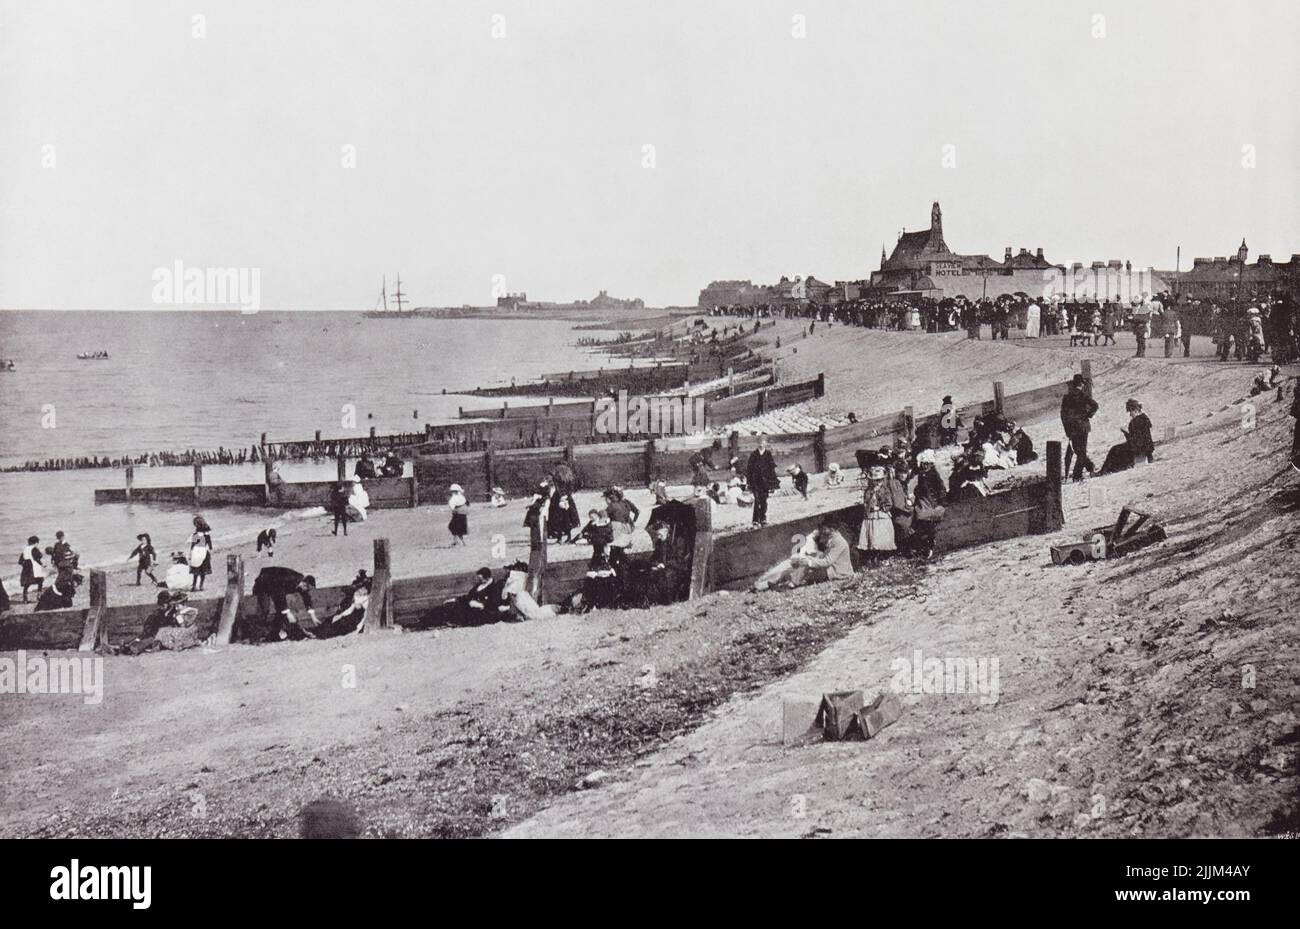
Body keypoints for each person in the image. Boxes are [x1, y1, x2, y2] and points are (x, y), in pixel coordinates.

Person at [250, 567, 317, 641]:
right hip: (264, 583)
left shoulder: (301, 583)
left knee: (281, 612)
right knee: (264, 610)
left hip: (274, 587)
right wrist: (288, 612)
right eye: (308, 588)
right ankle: (254, 638)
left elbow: (306, 597)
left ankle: (273, 635)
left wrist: (312, 615)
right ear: (305, 584)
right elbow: (279, 593)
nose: (307, 591)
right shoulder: (290, 580)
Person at [1060, 373, 1099, 481]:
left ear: (1073, 385)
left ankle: (1082, 471)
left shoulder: (1066, 397)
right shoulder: (1083, 395)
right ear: (1081, 384)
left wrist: (1067, 430)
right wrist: (1088, 415)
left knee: (1078, 451)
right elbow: (1095, 405)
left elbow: (1063, 415)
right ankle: (1081, 472)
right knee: (1081, 452)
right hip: (1083, 427)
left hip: (1072, 429)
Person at [1100, 399, 1155, 474]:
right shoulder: (1145, 418)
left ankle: (1104, 471)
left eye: (1130, 412)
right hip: (1147, 448)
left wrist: (1125, 432)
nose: (1130, 414)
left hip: (1139, 448)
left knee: (1115, 449)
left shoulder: (1135, 422)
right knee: (1119, 449)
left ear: (1135, 410)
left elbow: (1132, 440)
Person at [910, 449, 947, 560]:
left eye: (927, 464)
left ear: (931, 464)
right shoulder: (922, 475)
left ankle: (929, 544)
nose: (925, 466)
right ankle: (925, 545)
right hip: (924, 501)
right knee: (921, 521)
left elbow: (941, 489)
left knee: (925, 520)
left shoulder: (933, 475)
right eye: (923, 464)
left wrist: (940, 501)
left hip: (931, 503)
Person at [857, 466, 897, 562]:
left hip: (882, 514)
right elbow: (866, 502)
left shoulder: (885, 490)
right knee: (872, 534)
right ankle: (873, 554)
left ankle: (882, 555)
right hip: (871, 514)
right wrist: (870, 505)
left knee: (882, 534)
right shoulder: (868, 491)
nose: (878, 482)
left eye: (880, 480)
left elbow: (889, 503)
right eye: (876, 480)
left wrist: (881, 507)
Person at [746, 436, 778, 527]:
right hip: (755, 482)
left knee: (764, 500)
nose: (761, 444)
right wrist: (749, 482)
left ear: (766, 444)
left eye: (763, 442)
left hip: (765, 482)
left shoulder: (768, 455)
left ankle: (763, 518)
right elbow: (749, 469)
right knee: (757, 500)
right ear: (757, 444)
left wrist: (773, 483)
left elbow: (772, 469)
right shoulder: (753, 455)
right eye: (760, 442)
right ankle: (755, 520)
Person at [603, 487, 640, 566]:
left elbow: (604, 518)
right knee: (620, 548)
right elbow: (637, 512)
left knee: (615, 547)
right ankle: (622, 563)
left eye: (606, 499)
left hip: (617, 528)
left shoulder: (611, 506)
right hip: (627, 527)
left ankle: (614, 564)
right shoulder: (624, 503)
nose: (605, 501)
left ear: (609, 498)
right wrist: (633, 521)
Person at [18, 535, 44, 602]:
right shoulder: (34, 549)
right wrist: (42, 564)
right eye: (37, 543)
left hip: (26, 569)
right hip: (34, 569)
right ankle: (39, 596)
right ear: (36, 543)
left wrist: (25, 565)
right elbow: (38, 557)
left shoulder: (25, 550)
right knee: (40, 580)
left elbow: (20, 562)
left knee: (27, 584)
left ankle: (25, 599)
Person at [188, 525, 212, 591]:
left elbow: (192, 546)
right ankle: (201, 586)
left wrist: (190, 554)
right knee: (203, 571)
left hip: (196, 553)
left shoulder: (195, 535)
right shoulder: (207, 536)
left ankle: (194, 586)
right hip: (204, 553)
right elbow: (210, 546)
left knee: (196, 571)